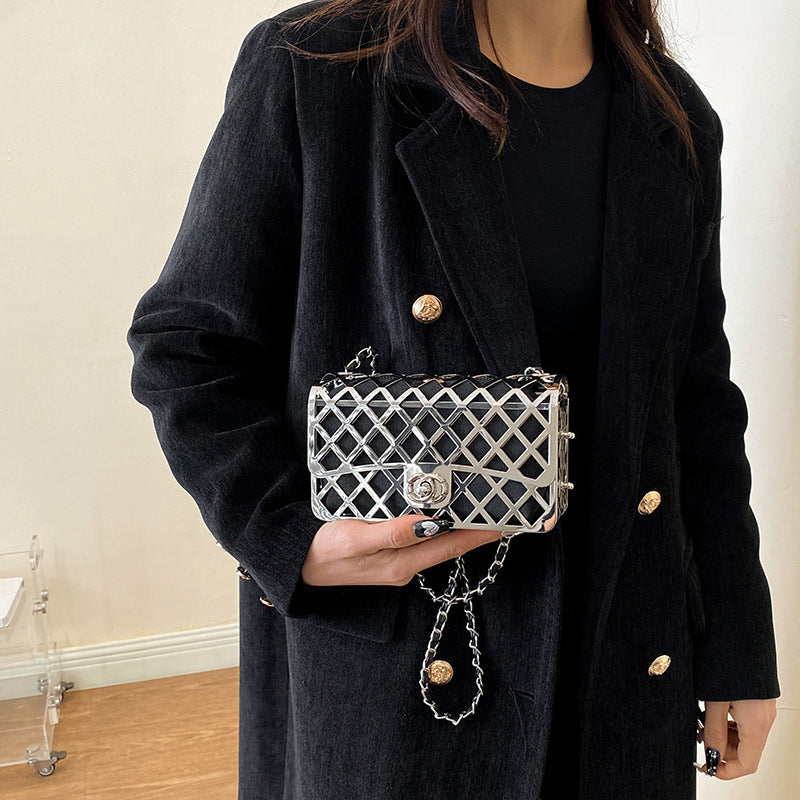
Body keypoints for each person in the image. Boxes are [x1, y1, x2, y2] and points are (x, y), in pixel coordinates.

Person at [126, 0, 780, 797]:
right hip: (407, 664)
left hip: (619, 653)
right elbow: (188, 346)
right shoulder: (319, 66)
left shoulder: (672, 119)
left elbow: (696, 401)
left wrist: (739, 642)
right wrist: (288, 537)